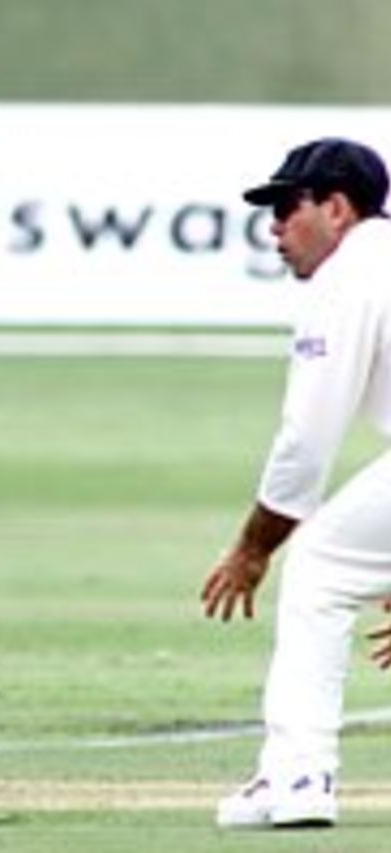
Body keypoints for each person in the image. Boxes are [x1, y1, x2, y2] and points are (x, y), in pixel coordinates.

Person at [200, 137, 391, 829]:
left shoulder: (347, 278)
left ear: (337, 208)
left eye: (287, 207)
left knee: (318, 568)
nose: (274, 227)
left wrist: (254, 547)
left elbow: (307, 439)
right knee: (337, 566)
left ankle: (298, 772)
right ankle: (288, 771)